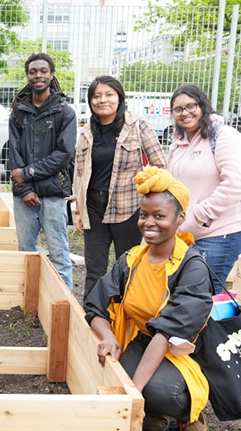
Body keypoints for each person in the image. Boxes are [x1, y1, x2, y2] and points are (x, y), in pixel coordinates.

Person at [84, 167, 213, 431]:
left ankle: (190, 416)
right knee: (114, 371)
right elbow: (95, 305)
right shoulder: (132, 259)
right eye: (144, 215)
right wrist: (108, 338)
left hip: (182, 350)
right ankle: (156, 408)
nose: (148, 223)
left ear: (180, 219)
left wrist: (135, 395)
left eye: (159, 216)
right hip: (143, 340)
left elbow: (168, 333)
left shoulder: (191, 267)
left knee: (166, 390)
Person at [70, 76, 167, 297]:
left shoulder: (137, 126)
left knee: (128, 266)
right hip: (94, 208)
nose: (102, 100)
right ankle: (92, 318)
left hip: (129, 208)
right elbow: (79, 173)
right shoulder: (86, 132)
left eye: (108, 94)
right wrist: (78, 209)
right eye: (96, 96)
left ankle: (125, 316)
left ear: (119, 98)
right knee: (94, 269)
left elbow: (161, 165)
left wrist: (148, 197)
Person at [166, 84, 241, 295]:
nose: (185, 113)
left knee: (202, 295)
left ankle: (221, 329)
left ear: (203, 106)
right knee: (184, 294)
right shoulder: (178, 144)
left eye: (190, 106)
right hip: (187, 231)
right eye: (178, 109)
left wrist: (199, 215)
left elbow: (235, 185)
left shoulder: (224, 136)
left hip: (219, 231)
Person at [8, 52, 76, 290]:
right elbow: (13, 152)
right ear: (28, 75)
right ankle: (29, 300)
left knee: (59, 254)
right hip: (23, 197)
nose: (38, 75)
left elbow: (63, 154)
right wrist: (24, 188)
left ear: (51, 75)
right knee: (26, 253)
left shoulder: (65, 112)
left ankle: (64, 302)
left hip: (53, 194)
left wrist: (28, 173)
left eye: (43, 71)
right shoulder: (19, 111)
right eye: (33, 71)